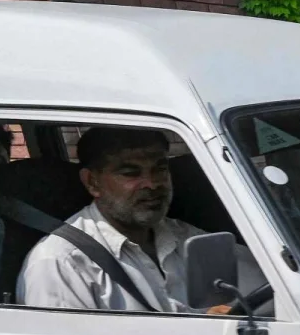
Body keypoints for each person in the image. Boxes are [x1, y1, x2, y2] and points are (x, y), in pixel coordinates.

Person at [17, 127, 264, 313]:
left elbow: (272, 292)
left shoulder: (187, 238)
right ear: (92, 182)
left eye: (160, 169)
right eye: (131, 173)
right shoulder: (61, 264)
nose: (153, 184)